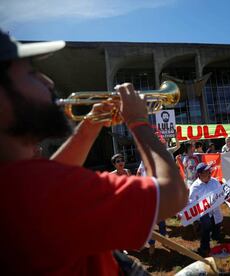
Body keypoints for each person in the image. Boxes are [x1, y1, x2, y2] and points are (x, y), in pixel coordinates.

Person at [0, 31, 188, 274]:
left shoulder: (20, 182)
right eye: (31, 72)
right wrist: (139, 122)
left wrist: (90, 126)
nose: (48, 81)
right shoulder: (34, 188)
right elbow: (173, 193)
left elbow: (54, 176)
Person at [188, 163, 223, 257]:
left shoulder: (214, 181)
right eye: (207, 171)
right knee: (206, 228)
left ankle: (216, 236)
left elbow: (222, 194)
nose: (209, 173)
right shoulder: (195, 187)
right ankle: (204, 247)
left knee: (218, 223)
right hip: (203, 213)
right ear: (200, 174)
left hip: (215, 211)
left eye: (209, 171)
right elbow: (191, 204)